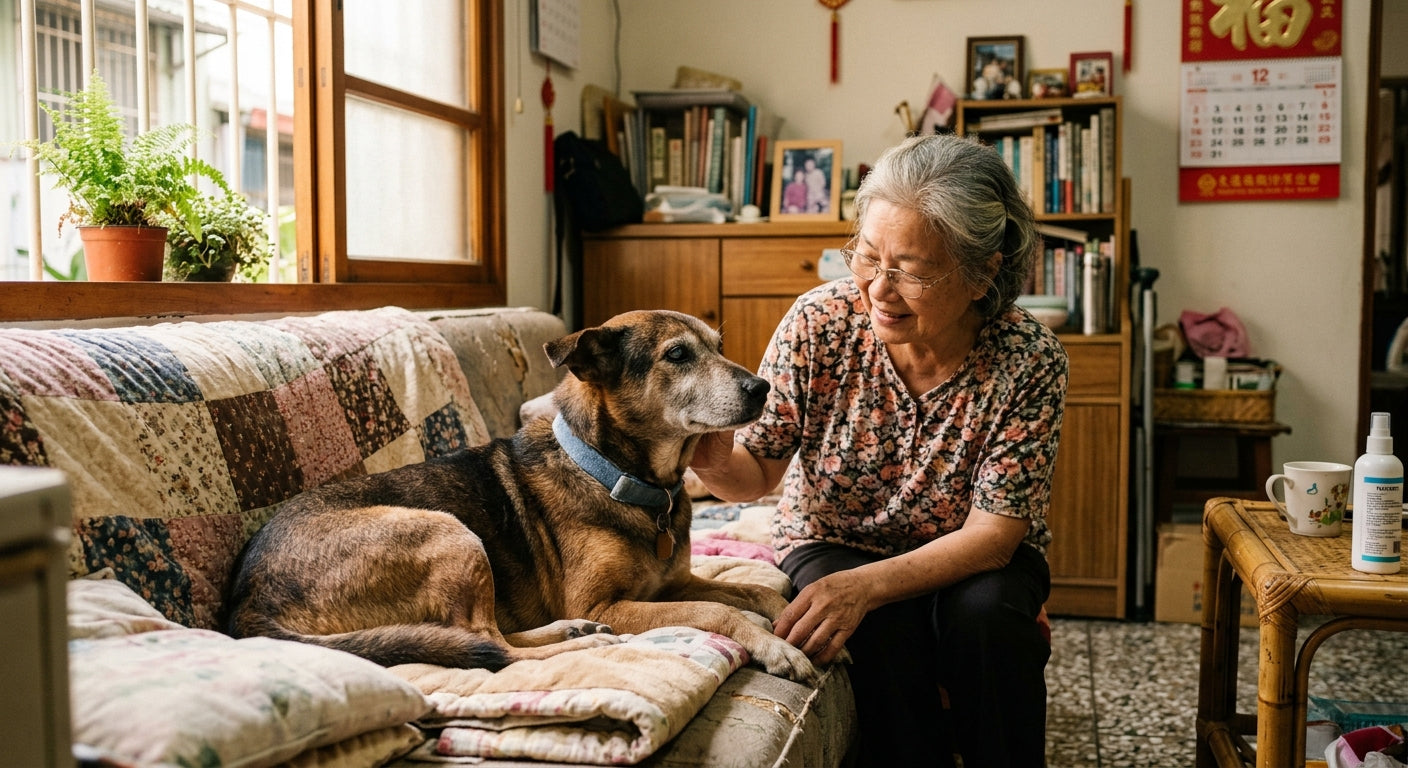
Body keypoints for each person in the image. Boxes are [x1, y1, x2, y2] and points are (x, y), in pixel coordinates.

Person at [689, 133, 1066, 768]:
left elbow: (995, 536)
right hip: (833, 536)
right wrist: (712, 457)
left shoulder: (1028, 359)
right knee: (883, 638)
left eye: (911, 271)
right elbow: (756, 474)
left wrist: (866, 585)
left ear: (983, 273)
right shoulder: (820, 323)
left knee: (991, 621)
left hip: (973, 551)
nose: (878, 290)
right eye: (866, 258)